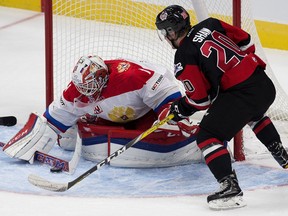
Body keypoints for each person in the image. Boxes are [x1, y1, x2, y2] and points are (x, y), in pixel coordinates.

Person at [155, 5, 288, 209]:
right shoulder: (211, 24)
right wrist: (239, 69)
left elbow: (200, 100)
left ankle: (230, 188)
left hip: (241, 93)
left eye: (166, 32)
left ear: (172, 31)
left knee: (208, 136)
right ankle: (284, 158)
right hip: (263, 83)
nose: (166, 37)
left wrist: (179, 109)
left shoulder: (184, 55)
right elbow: (245, 40)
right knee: (253, 114)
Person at [3, 55, 202, 168]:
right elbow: (52, 120)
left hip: (146, 110)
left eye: (90, 87)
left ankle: (198, 145)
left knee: (170, 129)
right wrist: (29, 143)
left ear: (102, 79)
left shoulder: (132, 77)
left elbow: (166, 93)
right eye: (82, 87)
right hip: (112, 115)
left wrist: (167, 111)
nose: (85, 93)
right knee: (66, 138)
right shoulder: (76, 90)